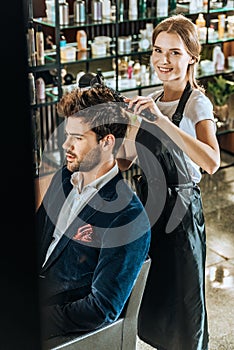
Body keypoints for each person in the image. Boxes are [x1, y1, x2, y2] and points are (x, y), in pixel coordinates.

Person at [117, 14, 220, 350]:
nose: (164, 60)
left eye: (175, 53)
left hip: (182, 214)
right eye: (158, 51)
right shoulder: (150, 100)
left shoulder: (196, 103)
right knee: (154, 298)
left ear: (192, 56)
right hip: (149, 211)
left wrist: (162, 121)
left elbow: (211, 161)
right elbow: (126, 157)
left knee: (184, 302)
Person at [36, 84, 151, 341]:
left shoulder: (127, 218)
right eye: (67, 135)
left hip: (58, 319)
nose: (66, 145)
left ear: (107, 142)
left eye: (77, 137)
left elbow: (102, 308)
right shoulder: (64, 178)